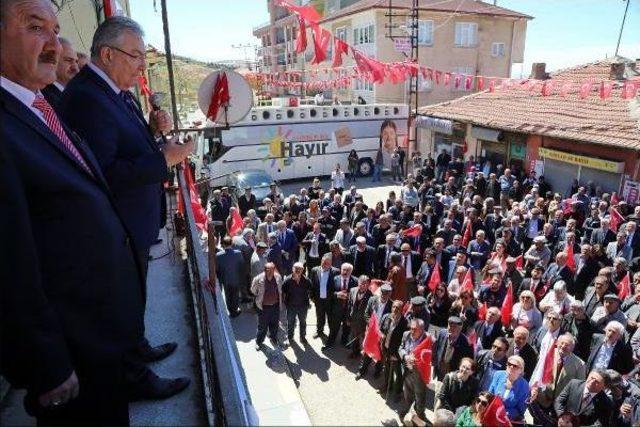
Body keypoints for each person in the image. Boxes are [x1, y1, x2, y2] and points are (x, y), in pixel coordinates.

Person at [0, 1, 143, 422]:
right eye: (34, 27)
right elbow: (8, 261)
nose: (52, 44)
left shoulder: (36, 106)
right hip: (69, 353)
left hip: (96, 334)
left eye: (55, 28)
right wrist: (47, 364)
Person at [61, 15, 193, 400]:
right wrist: (163, 159)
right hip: (116, 227)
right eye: (135, 55)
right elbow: (102, 172)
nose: (140, 65)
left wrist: (152, 132)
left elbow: (123, 145)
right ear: (107, 53)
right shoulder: (86, 98)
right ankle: (134, 378)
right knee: (121, 304)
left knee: (134, 298)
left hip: (133, 223)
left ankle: (138, 349)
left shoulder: (116, 93)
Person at [397, 318, 429, 423]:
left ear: (422, 330)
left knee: (420, 397)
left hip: (420, 375)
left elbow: (431, 357)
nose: (412, 331)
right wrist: (405, 356)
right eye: (411, 328)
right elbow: (400, 348)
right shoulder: (406, 334)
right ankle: (408, 411)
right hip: (407, 371)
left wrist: (419, 361)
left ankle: (419, 416)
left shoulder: (428, 339)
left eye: (415, 329)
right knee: (407, 393)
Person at [487, 355, 530, 422]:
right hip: (491, 412)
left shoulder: (524, 386)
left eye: (515, 366)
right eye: (509, 364)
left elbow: (521, 409)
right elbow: (489, 395)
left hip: (507, 419)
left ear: (521, 370)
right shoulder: (498, 375)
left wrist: (505, 413)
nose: (511, 367)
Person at [251, 263, 283, 350]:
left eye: (272, 270)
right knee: (262, 326)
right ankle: (259, 342)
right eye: (268, 270)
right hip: (263, 307)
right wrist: (260, 296)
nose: (270, 272)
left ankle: (273, 338)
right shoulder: (258, 278)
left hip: (275, 307)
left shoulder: (278, 277)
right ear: (264, 270)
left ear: (274, 270)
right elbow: (253, 290)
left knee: (274, 325)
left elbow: (280, 290)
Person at [325, 263, 357, 349]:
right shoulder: (334, 279)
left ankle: (344, 341)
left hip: (348, 310)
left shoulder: (355, 281)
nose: (345, 272)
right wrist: (336, 294)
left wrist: (350, 295)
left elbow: (358, 294)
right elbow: (328, 293)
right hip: (336, 309)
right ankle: (331, 341)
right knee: (334, 327)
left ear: (351, 271)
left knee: (347, 328)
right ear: (341, 269)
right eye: (344, 270)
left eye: (348, 270)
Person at [41, 37, 78, 110]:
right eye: (68, 60)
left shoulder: (72, 94)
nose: (75, 68)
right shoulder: (45, 95)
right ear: (51, 61)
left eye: (76, 62)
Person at [433, 316, 474, 381]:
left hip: (453, 373)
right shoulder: (442, 333)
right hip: (440, 368)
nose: (451, 328)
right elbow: (437, 348)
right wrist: (434, 362)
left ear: (460, 329)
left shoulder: (466, 343)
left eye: (454, 327)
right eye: (449, 326)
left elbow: (468, 361)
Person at [282, 262, 312, 345]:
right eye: (296, 268)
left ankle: (302, 337)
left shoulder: (306, 280)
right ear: (293, 269)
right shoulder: (287, 280)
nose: (298, 270)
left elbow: (311, 291)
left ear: (303, 270)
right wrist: (285, 303)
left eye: (300, 269)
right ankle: (290, 337)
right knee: (290, 323)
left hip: (303, 307)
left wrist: (309, 302)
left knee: (303, 322)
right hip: (291, 306)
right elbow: (282, 292)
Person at [310, 254, 339, 338]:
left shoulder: (336, 271)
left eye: (327, 263)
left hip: (330, 300)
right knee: (320, 317)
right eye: (323, 262)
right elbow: (311, 285)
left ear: (331, 264)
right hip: (318, 300)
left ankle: (332, 334)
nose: (325, 264)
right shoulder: (314, 270)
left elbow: (337, 286)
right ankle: (319, 331)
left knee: (331, 318)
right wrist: (312, 297)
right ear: (321, 261)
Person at [215, 236, 245, 317]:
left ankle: (230, 310)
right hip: (236, 278)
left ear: (223, 245)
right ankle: (234, 311)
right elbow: (242, 265)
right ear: (231, 244)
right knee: (235, 295)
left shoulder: (218, 255)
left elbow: (217, 268)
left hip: (225, 280)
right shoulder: (238, 253)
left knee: (228, 295)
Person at [347, 275, 373, 358]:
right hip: (353, 320)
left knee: (364, 339)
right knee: (354, 337)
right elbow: (349, 305)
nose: (363, 285)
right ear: (358, 283)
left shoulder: (371, 296)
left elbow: (371, 312)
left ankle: (365, 355)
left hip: (363, 322)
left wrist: (369, 324)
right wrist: (348, 318)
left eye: (366, 284)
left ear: (369, 285)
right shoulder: (352, 290)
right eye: (361, 283)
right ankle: (355, 352)